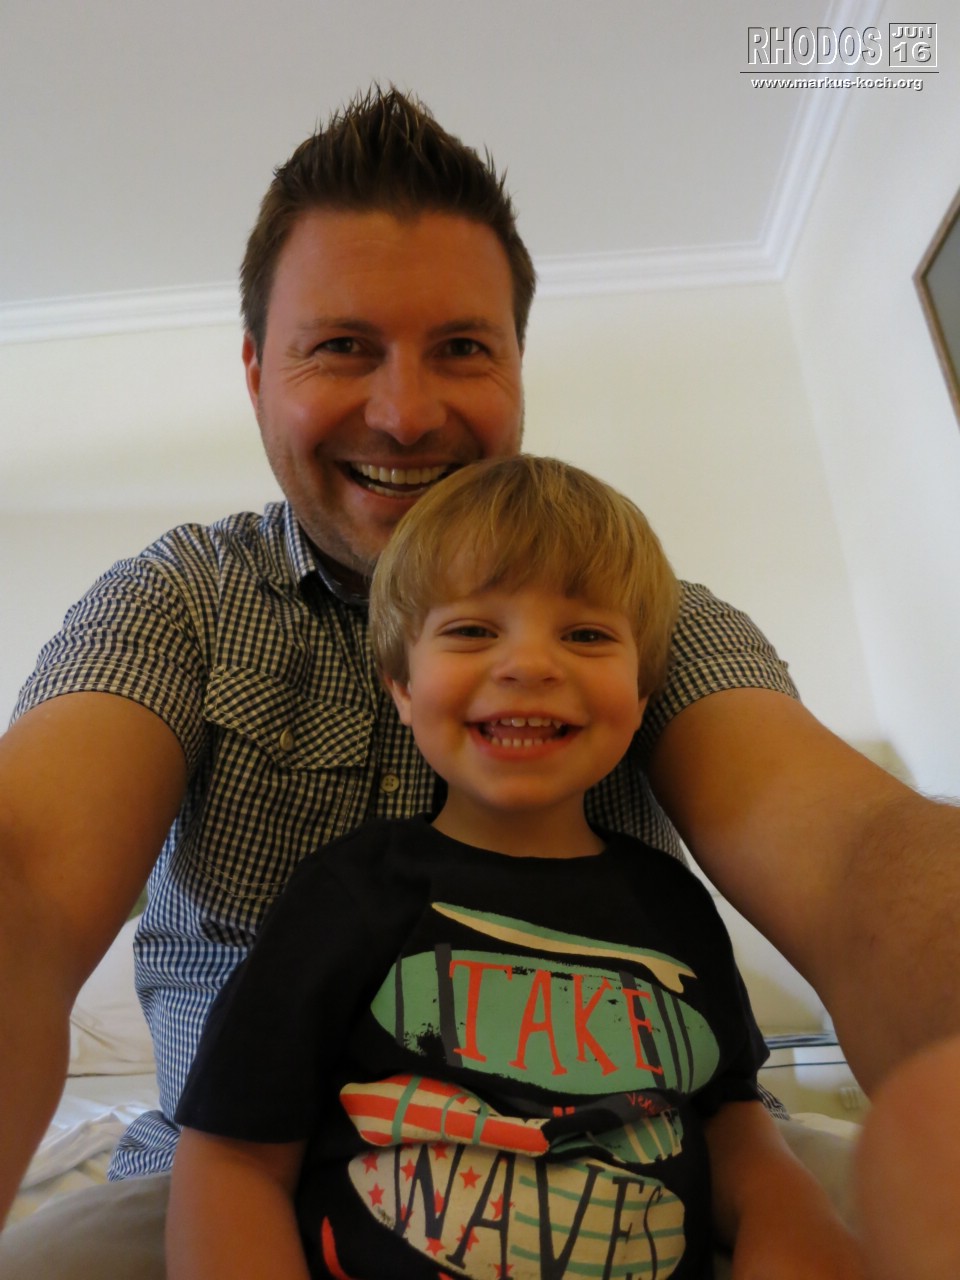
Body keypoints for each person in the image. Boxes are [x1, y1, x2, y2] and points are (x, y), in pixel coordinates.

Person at [0, 84, 957, 1277]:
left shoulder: (653, 618)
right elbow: (24, 873)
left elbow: (860, 854)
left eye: (461, 348)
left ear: (516, 365)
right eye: (341, 347)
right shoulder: (179, 601)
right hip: (220, 1187)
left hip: (648, 1184)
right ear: (255, 370)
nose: (406, 414)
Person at [166, 455, 866, 1280]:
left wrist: (794, 1226)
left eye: (586, 635)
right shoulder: (344, 895)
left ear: (642, 694)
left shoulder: (672, 903)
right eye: (472, 631)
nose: (530, 664)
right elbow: (233, 1158)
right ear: (402, 686)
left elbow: (730, 1122)